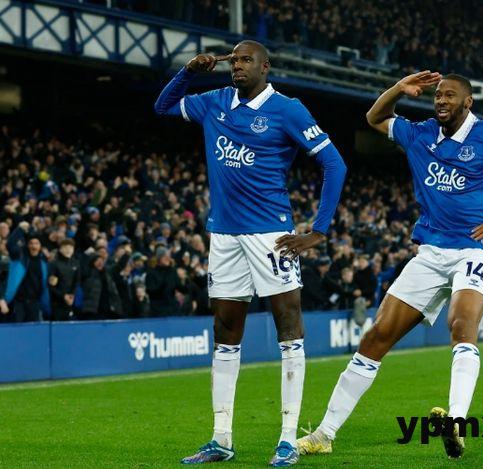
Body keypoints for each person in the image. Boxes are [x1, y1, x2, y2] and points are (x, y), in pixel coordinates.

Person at [297, 72, 483, 459]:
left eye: (450, 95)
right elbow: (374, 118)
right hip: (431, 252)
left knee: (461, 324)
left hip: (475, 250)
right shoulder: (420, 133)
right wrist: (397, 89)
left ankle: (456, 421)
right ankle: (324, 434)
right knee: (375, 337)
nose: (441, 100)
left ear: (467, 102)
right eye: (437, 95)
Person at [154, 40, 346, 466]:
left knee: (289, 329)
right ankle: (221, 438)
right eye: (234, 60)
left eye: (246, 60)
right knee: (225, 332)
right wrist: (189, 72)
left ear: (265, 67)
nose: (237, 66)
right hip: (224, 235)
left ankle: (288, 439)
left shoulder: (288, 110)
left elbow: (335, 164)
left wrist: (319, 230)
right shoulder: (215, 101)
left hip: (270, 236)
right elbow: (163, 107)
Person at [0, 222, 51, 322]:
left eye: (36, 243)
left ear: (40, 245)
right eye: (31, 243)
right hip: (18, 302)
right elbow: (10, 244)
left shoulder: (43, 261)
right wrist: (20, 229)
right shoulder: (19, 256)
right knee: (17, 328)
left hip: (35, 302)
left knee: (33, 329)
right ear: (27, 245)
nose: (33, 246)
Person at [48, 238, 80, 321]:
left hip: (70, 301)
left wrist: (72, 295)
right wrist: (63, 296)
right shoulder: (54, 264)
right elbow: (51, 285)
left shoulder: (76, 263)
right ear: (60, 249)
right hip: (57, 303)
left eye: (70, 248)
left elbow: (76, 281)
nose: (68, 250)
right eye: (65, 247)